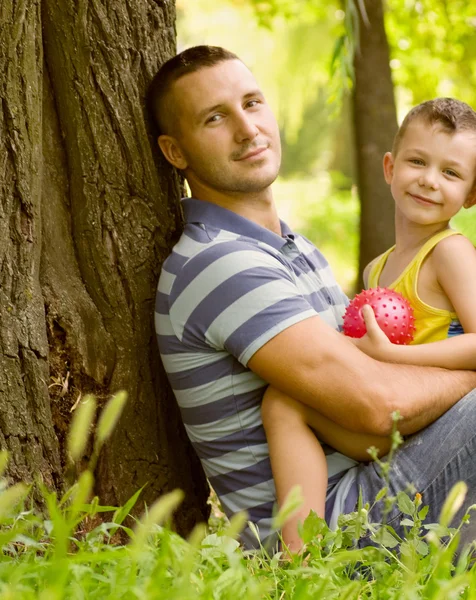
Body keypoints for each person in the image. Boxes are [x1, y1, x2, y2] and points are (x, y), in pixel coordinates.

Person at [148, 45, 476, 553]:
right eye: (215, 117)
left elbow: (373, 383)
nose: (247, 128)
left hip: (372, 479)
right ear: (176, 152)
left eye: (252, 103)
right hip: (334, 529)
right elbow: (377, 405)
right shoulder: (219, 265)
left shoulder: (295, 248)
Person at [262, 98, 476, 551]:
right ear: (389, 167)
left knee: (284, 401)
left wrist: (394, 356)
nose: (429, 180)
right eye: (417, 161)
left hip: (434, 417)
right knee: (284, 401)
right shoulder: (377, 270)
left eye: (451, 173)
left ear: (471, 195)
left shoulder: (450, 254)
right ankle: (301, 554)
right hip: (393, 414)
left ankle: (299, 557)